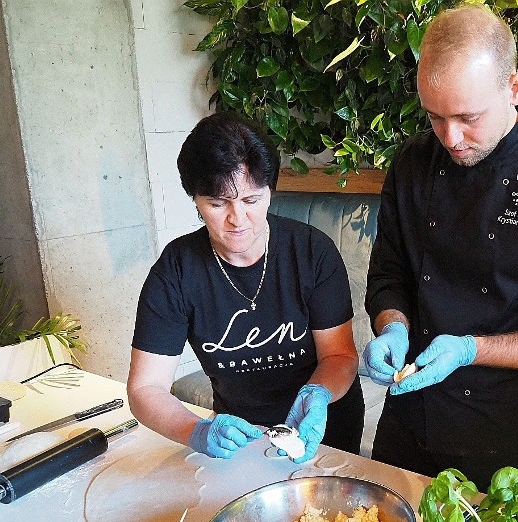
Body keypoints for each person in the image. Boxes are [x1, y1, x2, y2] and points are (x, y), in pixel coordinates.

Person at [363, 3, 518, 489]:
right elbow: (389, 274)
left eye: (467, 117)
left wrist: (469, 349)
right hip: (405, 423)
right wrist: (391, 327)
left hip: (504, 441)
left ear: (514, 88)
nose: (451, 138)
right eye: (435, 117)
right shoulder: (414, 163)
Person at [127, 112, 364, 463]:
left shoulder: (312, 252)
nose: (237, 220)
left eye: (251, 201)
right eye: (217, 203)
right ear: (195, 199)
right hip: (240, 437)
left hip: (326, 426)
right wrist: (195, 431)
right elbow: (145, 387)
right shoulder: (176, 270)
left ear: (270, 191)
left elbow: (340, 356)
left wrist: (316, 394)